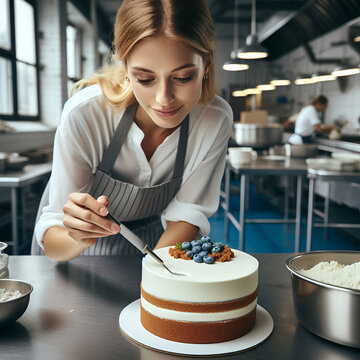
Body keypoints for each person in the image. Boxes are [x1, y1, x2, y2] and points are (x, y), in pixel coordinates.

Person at [32, 0, 233, 261]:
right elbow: (53, 244)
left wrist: (156, 275)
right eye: (145, 79)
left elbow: (186, 216)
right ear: (125, 68)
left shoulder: (214, 120)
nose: (164, 99)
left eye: (183, 77)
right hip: (77, 257)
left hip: (154, 247)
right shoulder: (86, 115)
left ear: (206, 64)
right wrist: (77, 235)